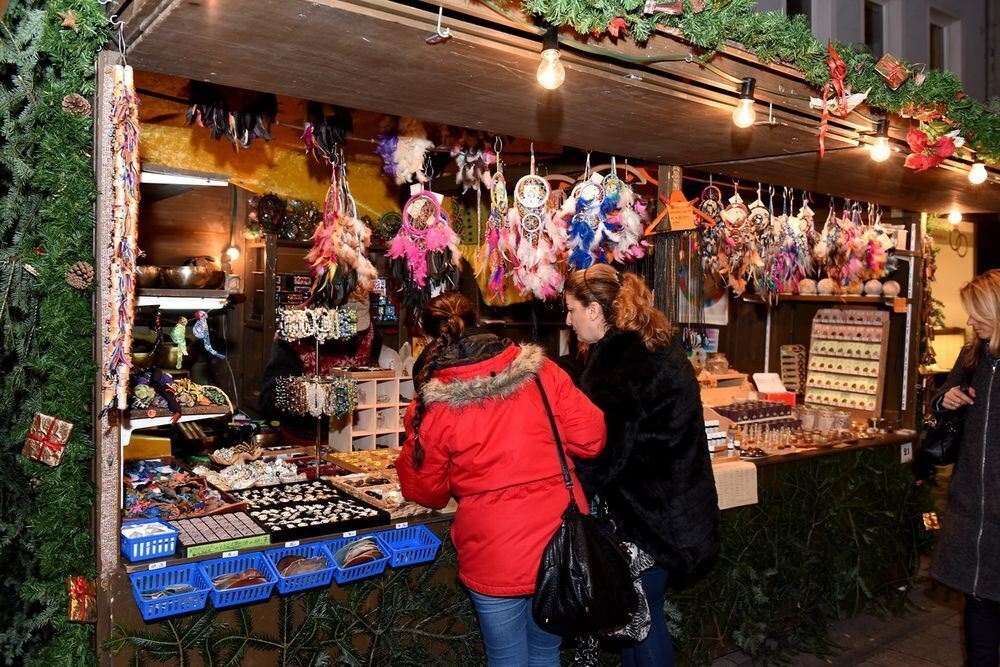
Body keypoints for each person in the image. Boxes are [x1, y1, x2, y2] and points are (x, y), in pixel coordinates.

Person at [396, 292, 607, 666]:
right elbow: (592, 439)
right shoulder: (543, 372)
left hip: (493, 548)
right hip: (558, 540)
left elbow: (426, 491)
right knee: (545, 652)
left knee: (506, 658)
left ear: (430, 339)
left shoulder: (435, 401)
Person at [563, 265, 721, 667]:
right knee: (638, 620)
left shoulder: (618, 361)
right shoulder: (654, 342)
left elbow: (606, 453)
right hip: (677, 508)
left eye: (571, 309)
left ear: (595, 311)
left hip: (647, 519)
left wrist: (567, 484)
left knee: (642, 625)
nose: (568, 320)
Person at [930, 269, 1000, 667]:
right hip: (972, 506)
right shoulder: (973, 355)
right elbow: (942, 399)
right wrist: (946, 400)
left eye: (978, 313)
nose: (970, 322)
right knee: (979, 608)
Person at [260, 299, 382, 445]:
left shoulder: (372, 335)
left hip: (355, 438)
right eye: (342, 324)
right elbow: (270, 401)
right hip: (301, 439)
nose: (352, 334)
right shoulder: (293, 337)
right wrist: (324, 396)